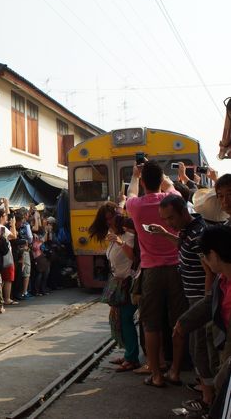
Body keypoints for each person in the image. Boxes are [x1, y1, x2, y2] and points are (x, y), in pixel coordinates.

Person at [125, 160, 188, 388]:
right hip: (176, 268)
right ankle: (175, 371)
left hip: (151, 271)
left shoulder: (136, 206)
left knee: (151, 323)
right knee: (178, 320)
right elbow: (172, 188)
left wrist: (134, 176)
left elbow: (130, 193)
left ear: (143, 182)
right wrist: (165, 181)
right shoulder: (172, 200)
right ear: (161, 180)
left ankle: (156, 375)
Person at [149, 194, 213, 410]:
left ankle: (208, 400)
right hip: (193, 295)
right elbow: (182, 244)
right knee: (198, 345)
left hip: (200, 297)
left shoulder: (199, 234)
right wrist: (165, 233)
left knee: (199, 346)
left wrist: (204, 305)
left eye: (170, 218)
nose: (169, 223)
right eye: (165, 219)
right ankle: (205, 387)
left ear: (183, 212)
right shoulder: (188, 230)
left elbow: (209, 271)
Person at [175, 225, 231, 419]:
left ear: (214, 255)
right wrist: (184, 322)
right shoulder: (223, 279)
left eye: (205, 257)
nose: (205, 262)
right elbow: (210, 302)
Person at [88, 202, 139, 372]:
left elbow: (133, 257)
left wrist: (119, 241)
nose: (109, 222)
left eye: (111, 218)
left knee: (126, 320)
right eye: (106, 220)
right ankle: (128, 355)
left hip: (129, 284)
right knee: (118, 321)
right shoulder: (111, 237)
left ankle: (132, 358)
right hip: (117, 284)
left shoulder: (129, 237)